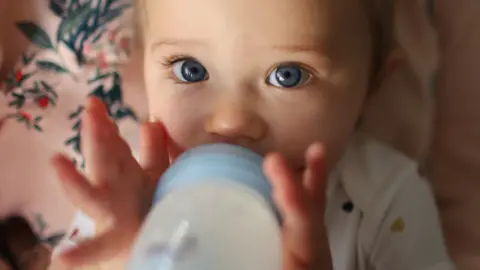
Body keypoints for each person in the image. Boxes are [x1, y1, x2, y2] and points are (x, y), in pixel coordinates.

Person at [50, 0, 455, 269]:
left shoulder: (383, 198)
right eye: (190, 69)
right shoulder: (125, 195)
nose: (230, 122)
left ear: (371, 87)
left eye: (288, 76)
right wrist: (121, 257)